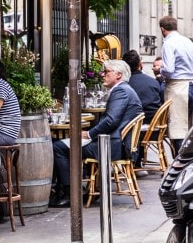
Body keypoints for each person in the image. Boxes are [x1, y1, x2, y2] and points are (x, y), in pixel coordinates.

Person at [49, 60, 143, 208]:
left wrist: (90, 134)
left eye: (107, 72)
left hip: (112, 145)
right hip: (116, 143)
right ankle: (68, 190)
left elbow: (111, 120)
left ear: (118, 75)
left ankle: (70, 194)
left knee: (58, 147)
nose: (103, 75)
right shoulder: (125, 89)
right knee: (60, 144)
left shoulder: (121, 91)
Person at [159, 16, 193, 152]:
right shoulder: (188, 42)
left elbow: (168, 69)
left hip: (178, 88)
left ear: (162, 29)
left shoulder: (168, 43)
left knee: (178, 129)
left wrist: (161, 70)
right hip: (191, 84)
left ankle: (180, 167)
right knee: (190, 129)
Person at [122, 49, 162, 125]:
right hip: (154, 125)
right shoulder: (154, 82)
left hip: (131, 126)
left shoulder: (123, 85)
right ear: (140, 64)